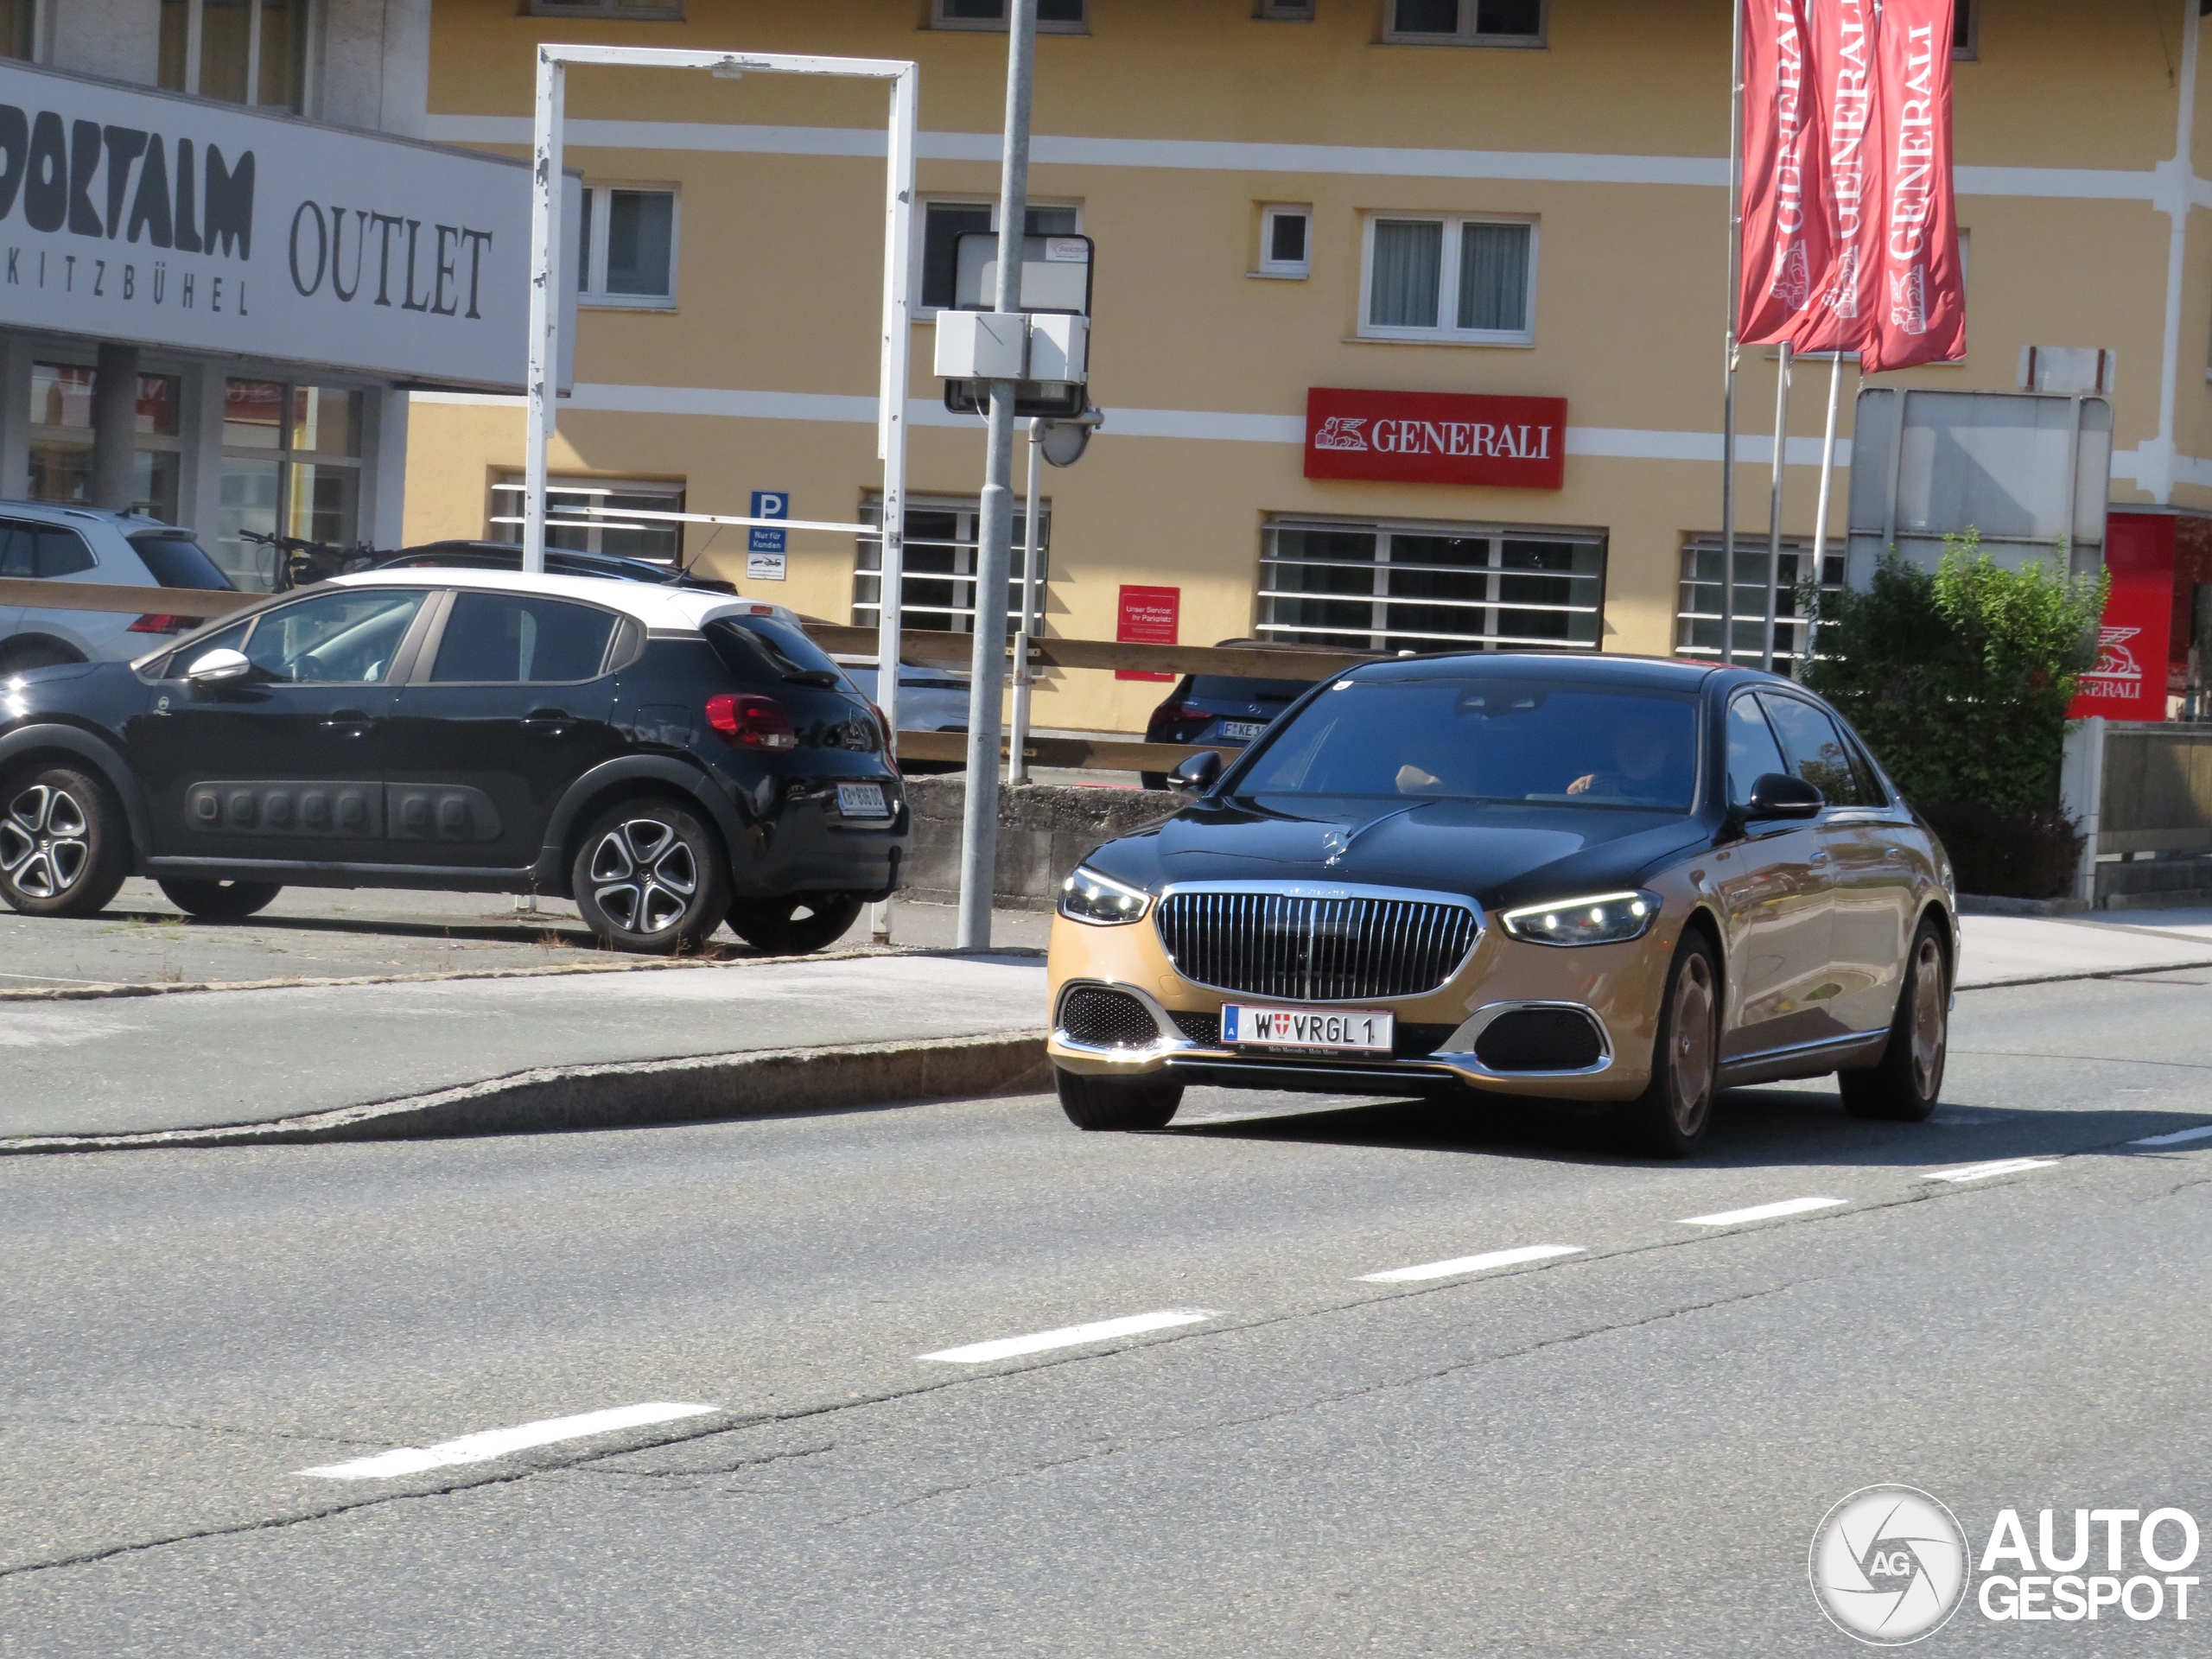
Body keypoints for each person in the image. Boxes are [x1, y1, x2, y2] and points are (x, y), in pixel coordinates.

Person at [1566, 709, 1688, 801]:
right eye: (1628, 737)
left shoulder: (1693, 792)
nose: (1636, 746)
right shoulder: (1598, 787)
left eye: (1647, 738)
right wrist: (1576, 795)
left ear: (1667, 746)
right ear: (1614, 747)